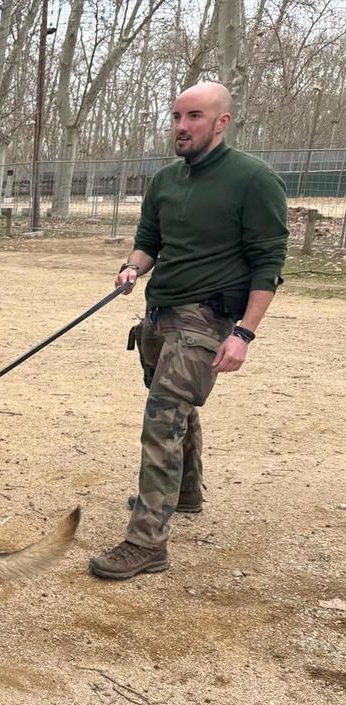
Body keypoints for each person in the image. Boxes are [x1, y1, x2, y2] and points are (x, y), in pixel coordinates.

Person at [89, 81, 288, 580]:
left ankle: (146, 543)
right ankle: (185, 493)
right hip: (160, 316)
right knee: (173, 406)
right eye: (177, 116)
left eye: (194, 116)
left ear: (221, 122)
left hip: (208, 320)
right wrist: (132, 268)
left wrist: (244, 333)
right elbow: (148, 242)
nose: (181, 126)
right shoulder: (166, 180)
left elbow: (269, 263)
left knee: (161, 420)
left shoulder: (254, 179)